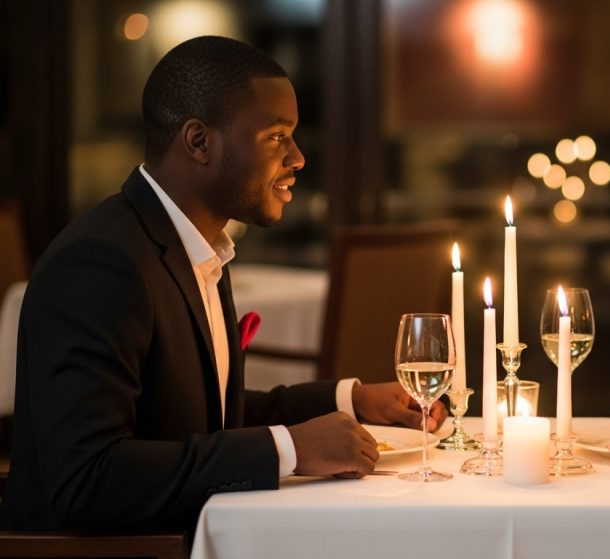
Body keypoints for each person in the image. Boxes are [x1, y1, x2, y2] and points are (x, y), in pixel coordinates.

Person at [0, 36, 445, 532]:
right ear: (199, 141)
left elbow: (202, 416)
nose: (298, 158)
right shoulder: (102, 263)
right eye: (277, 136)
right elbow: (88, 479)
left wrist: (350, 400)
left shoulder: (196, 247)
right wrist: (289, 450)